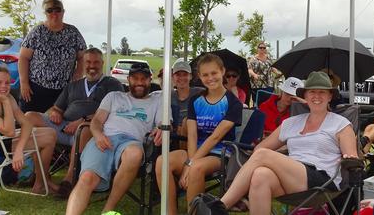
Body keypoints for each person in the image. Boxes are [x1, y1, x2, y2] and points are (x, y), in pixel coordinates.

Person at [217, 71, 358, 214]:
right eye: (312, 92)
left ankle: (220, 206)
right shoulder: (291, 123)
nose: (317, 96)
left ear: (330, 96)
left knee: (263, 155)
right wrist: (281, 155)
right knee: (260, 175)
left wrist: (351, 159)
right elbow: (259, 149)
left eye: (322, 92)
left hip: (323, 181)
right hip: (292, 179)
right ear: (305, 96)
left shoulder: (341, 124)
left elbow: (352, 159)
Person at [65, 63, 167, 215]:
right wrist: (98, 135)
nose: (139, 82)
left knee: (134, 154)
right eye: (135, 78)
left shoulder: (158, 99)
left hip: (132, 141)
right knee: (87, 178)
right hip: (105, 138)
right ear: (128, 79)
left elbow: (163, 122)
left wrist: (161, 127)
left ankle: (108, 210)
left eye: (144, 79)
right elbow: (97, 121)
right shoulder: (114, 96)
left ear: (150, 80)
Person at [24, 48, 123, 192]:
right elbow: (56, 108)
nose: (92, 66)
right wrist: (55, 113)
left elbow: (115, 112)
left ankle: (68, 180)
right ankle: (41, 178)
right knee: (29, 117)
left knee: (84, 128)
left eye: (96, 62)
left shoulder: (112, 85)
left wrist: (82, 120)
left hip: (90, 128)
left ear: (102, 63)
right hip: (64, 126)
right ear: (83, 63)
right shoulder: (73, 85)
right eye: (88, 62)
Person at [156, 53, 243, 215]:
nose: (210, 78)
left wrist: (190, 165)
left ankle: (193, 211)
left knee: (195, 168)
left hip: (220, 154)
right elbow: (193, 135)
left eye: (214, 73)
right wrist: (190, 159)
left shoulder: (233, 103)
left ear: (222, 71)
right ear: (199, 76)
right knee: (163, 161)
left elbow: (215, 137)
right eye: (205, 75)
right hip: (195, 151)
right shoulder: (196, 100)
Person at [0, 65, 60, 194]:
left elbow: (26, 123)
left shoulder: (8, 97)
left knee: (50, 133)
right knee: (48, 138)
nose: (4, 86)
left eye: (7, 83)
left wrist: (19, 150)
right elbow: (8, 131)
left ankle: (40, 181)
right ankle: (40, 183)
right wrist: (4, 102)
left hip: (5, 140)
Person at [19, 0, 87, 113]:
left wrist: (79, 72)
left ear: (63, 12)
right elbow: (23, 58)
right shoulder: (37, 32)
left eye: (57, 10)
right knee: (28, 122)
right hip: (35, 89)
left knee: (56, 125)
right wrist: (24, 83)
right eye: (50, 10)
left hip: (63, 91)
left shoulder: (73, 32)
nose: (54, 13)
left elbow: (83, 57)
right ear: (45, 13)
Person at [170, 60, 205, 140]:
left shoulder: (200, 93)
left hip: (196, 135)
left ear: (191, 76)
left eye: (185, 74)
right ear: (173, 77)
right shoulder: (168, 96)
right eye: (178, 75)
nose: (181, 78)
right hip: (174, 137)